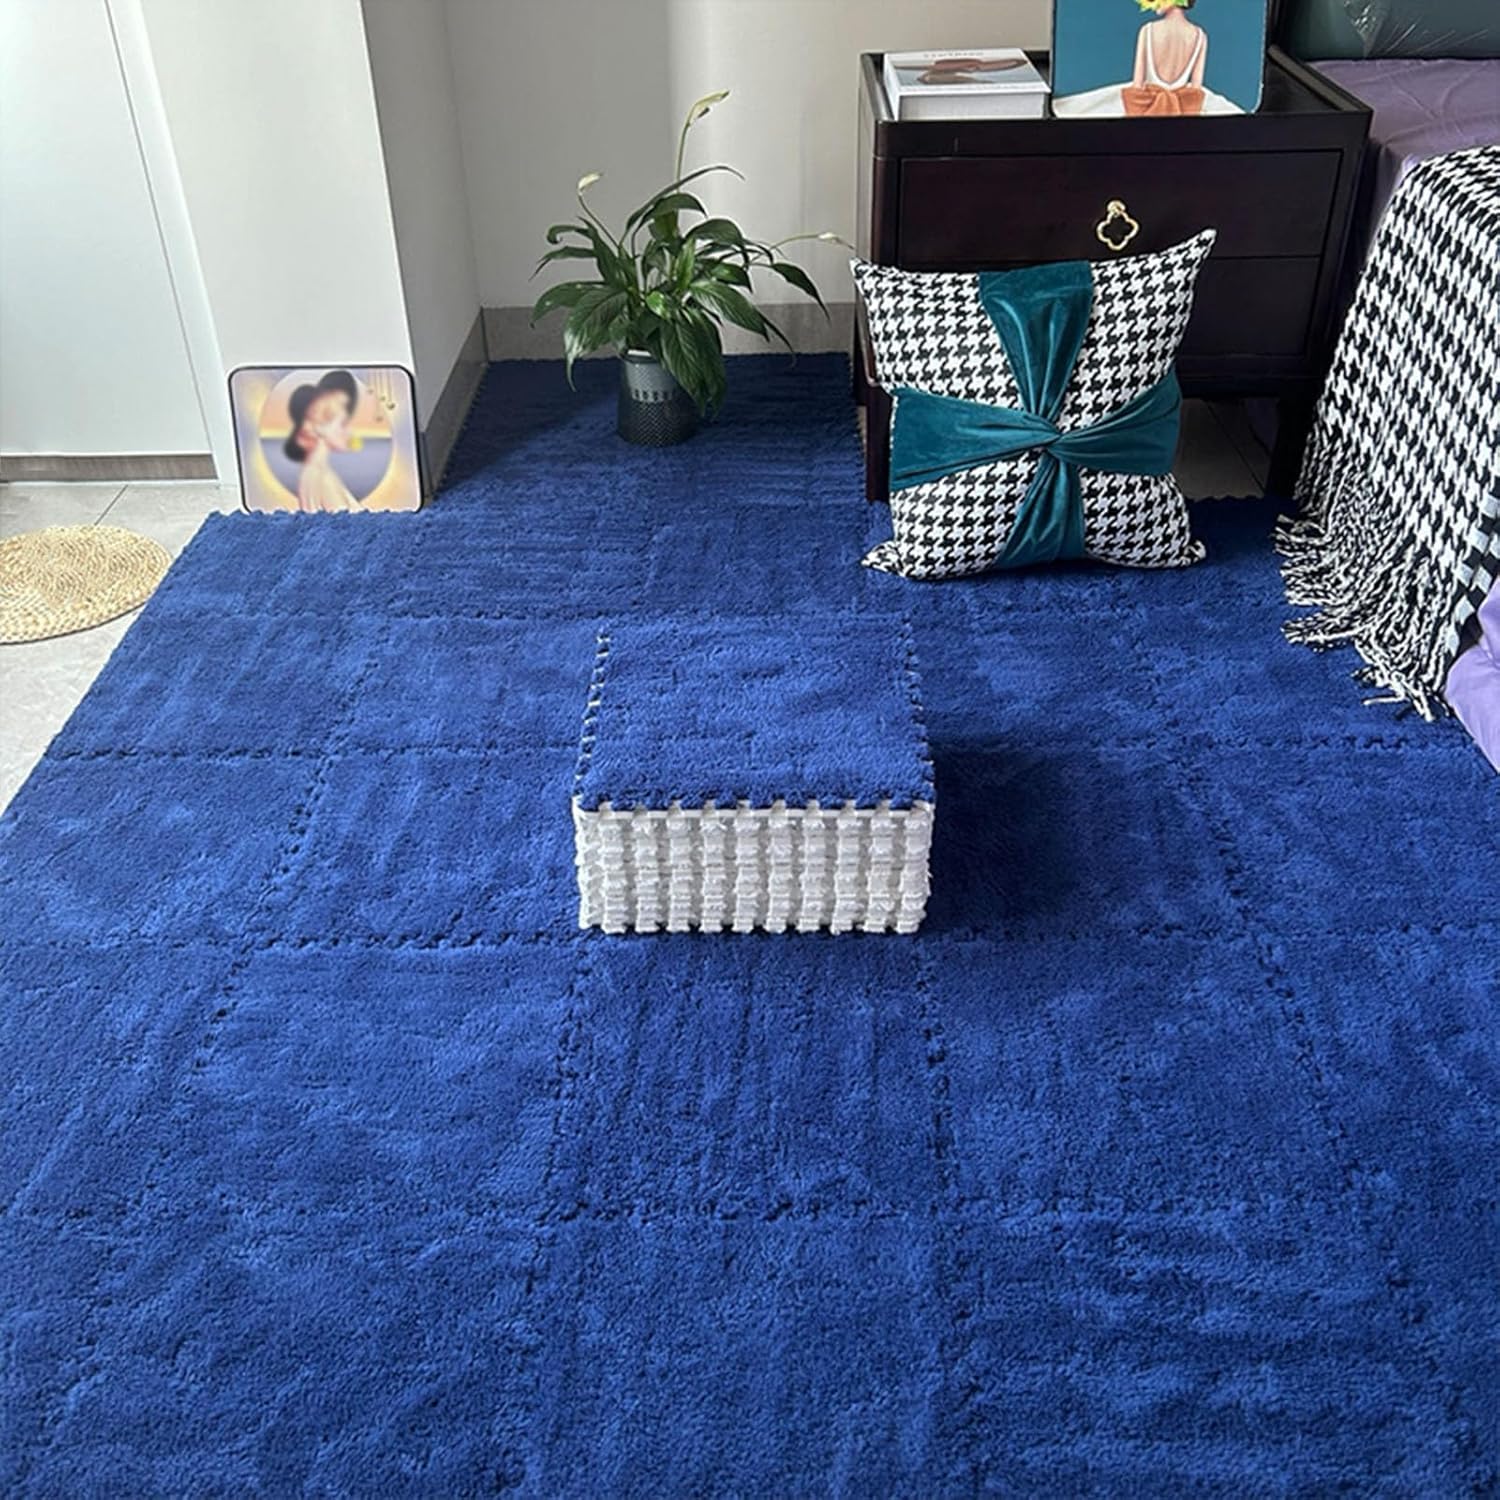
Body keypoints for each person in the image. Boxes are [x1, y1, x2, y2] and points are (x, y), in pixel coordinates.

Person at [1054, 0, 1241, 119]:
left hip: (1145, 108)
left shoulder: (1148, 30)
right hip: (1184, 112)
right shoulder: (1200, 35)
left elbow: (1137, 86)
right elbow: (1195, 91)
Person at [283, 370, 363, 512]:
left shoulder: (319, 473)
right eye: (342, 423)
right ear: (314, 427)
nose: (349, 431)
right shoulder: (320, 477)